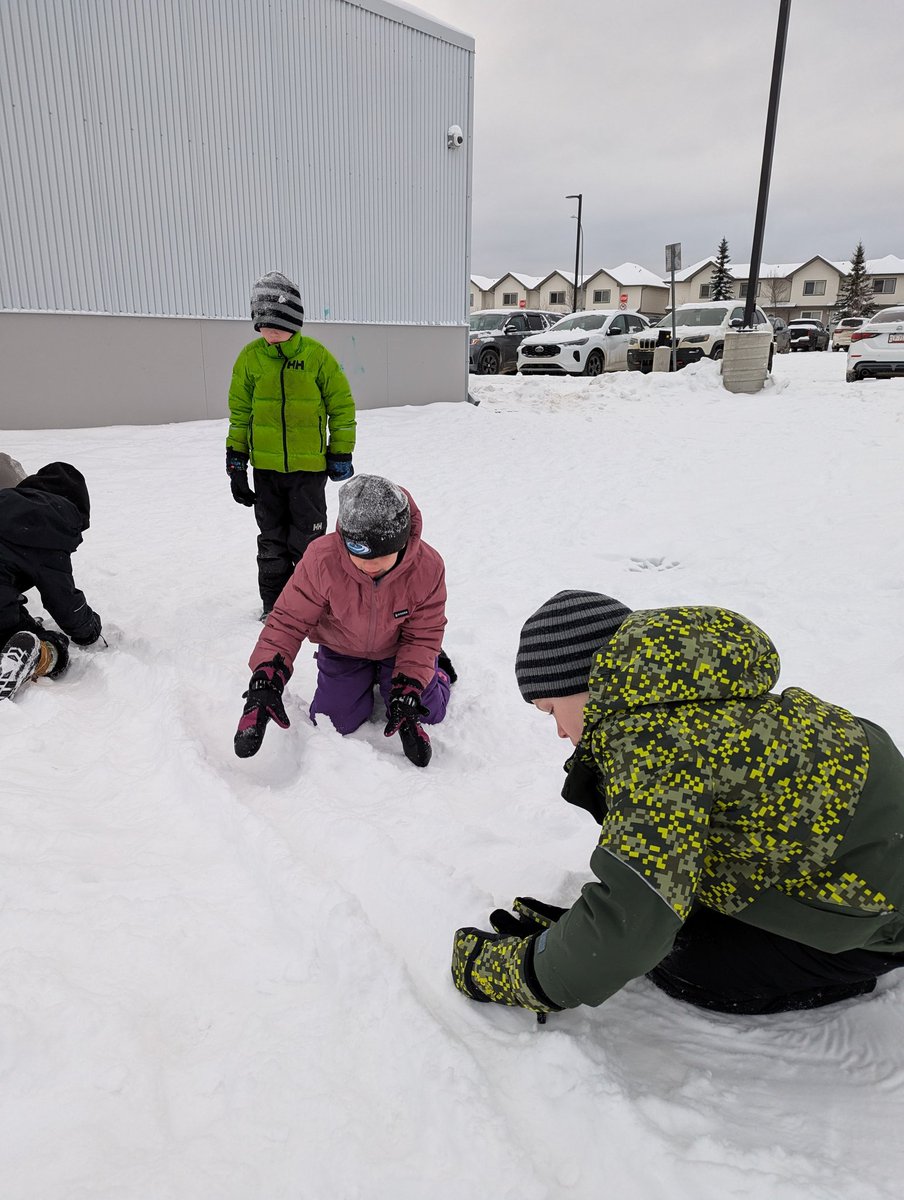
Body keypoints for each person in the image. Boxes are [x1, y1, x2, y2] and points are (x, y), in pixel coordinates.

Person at [451, 592, 904, 1018]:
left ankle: (847, 967)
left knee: (687, 963)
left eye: (551, 710)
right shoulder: (695, 692)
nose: (559, 732)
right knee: (672, 918)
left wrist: (519, 971)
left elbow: (630, 932)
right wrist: (579, 930)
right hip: (870, 864)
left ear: (584, 683)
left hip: (881, 922)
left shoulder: (655, 748)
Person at [234, 474, 454, 768]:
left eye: (380, 559)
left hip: (398, 649)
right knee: (333, 721)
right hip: (343, 650)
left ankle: (437, 670)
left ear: (401, 543)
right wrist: (267, 675)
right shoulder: (321, 559)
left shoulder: (427, 567)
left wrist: (410, 687)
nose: (367, 567)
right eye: (358, 557)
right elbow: (288, 620)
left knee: (430, 711)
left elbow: (423, 635)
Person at [225, 271, 357, 619]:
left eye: (278, 327)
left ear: (294, 323)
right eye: (264, 326)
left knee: (310, 544)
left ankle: (314, 605)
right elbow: (240, 414)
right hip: (266, 472)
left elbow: (341, 406)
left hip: (308, 473)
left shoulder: (316, 357)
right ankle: (275, 607)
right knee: (271, 542)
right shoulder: (250, 359)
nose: (271, 334)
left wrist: (340, 450)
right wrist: (236, 463)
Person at [0, 462, 104, 701]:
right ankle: (37, 656)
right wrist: (90, 630)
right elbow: (65, 604)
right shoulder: (50, 527)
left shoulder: (4, 500)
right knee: (49, 641)